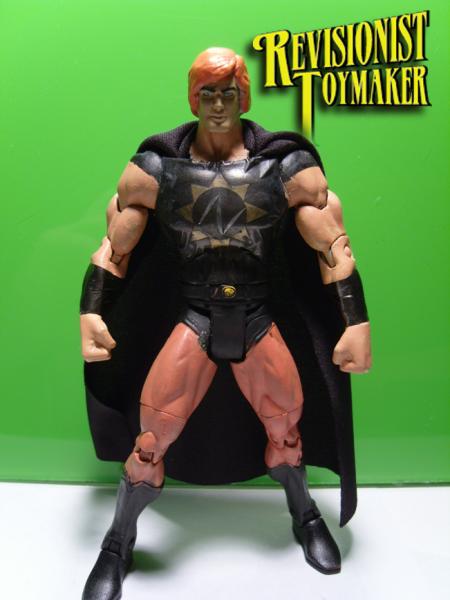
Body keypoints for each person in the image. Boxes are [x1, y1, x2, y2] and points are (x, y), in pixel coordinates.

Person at [80, 47, 371, 599]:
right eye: (208, 93)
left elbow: (333, 245)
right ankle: (118, 542)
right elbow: (114, 248)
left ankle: (305, 514)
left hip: (258, 318)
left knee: (286, 434)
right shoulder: (155, 171)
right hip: (195, 319)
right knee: (150, 443)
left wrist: (355, 321)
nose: (218, 104)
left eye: (228, 93)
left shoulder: (285, 168)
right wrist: (91, 310)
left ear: (244, 98)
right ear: (193, 98)